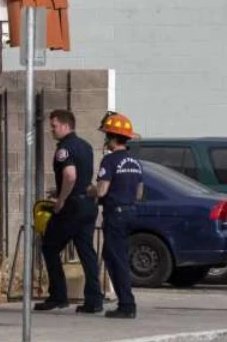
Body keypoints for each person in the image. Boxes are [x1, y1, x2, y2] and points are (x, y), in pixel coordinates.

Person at [35, 109, 103, 314]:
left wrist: (61, 199)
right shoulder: (86, 146)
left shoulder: (64, 149)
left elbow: (70, 175)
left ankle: (58, 295)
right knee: (86, 253)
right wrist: (62, 189)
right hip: (87, 206)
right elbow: (81, 178)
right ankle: (94, 300)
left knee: (49, 246)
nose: (51, 129)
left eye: (54, 125)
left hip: (71, 208)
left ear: (65, 126)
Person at [94, 111, 144, 319]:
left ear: (113, 138)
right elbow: (139, 193)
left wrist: (90, 190)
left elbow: (102, 191)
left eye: (107, 135)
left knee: (117, 258)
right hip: (131, 211)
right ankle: (126, 301)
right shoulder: (135, 162)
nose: (105, 140)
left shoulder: (110, 161)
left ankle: (126, 304)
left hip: (115, 214)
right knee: (112, 254)